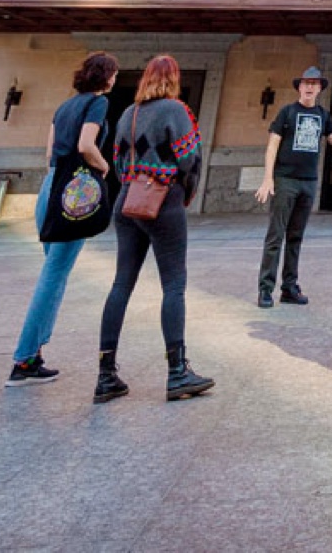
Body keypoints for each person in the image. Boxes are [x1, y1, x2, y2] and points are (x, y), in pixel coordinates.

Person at [95, 55, 215, 404]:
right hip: (163, 201)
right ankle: (177, 371)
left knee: (121, 283)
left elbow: (118, 161)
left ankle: (106, 374)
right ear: (173, 79)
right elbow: (190, 159)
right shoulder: (176, 111)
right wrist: (185, 193)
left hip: (127, 202)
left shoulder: (126, 115)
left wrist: (133, 183)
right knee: (174, 284)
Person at [6, 51, 119, 387]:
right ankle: (24, 359)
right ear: (106, 76)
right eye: (113, 73)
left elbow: (49, 152)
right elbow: (86, 144)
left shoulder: (64, 106)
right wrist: (103, 166)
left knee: (53, 271)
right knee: (54, 275)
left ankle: (33, 356)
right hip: (75, 189)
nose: (115, 78)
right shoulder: (97, 103)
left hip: (51, 186)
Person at [254, 66, 332, 306]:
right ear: (299, 87)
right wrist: (268, 178)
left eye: (314, 83)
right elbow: (272, 145)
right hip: (285, 181)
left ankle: (289, 287)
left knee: (296, 237)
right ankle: (265, 289)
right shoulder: (287, 112)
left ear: (319, 89)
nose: (309, 87)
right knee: (275, 236)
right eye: (305, 82)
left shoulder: (323, 115)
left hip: (309, 183)